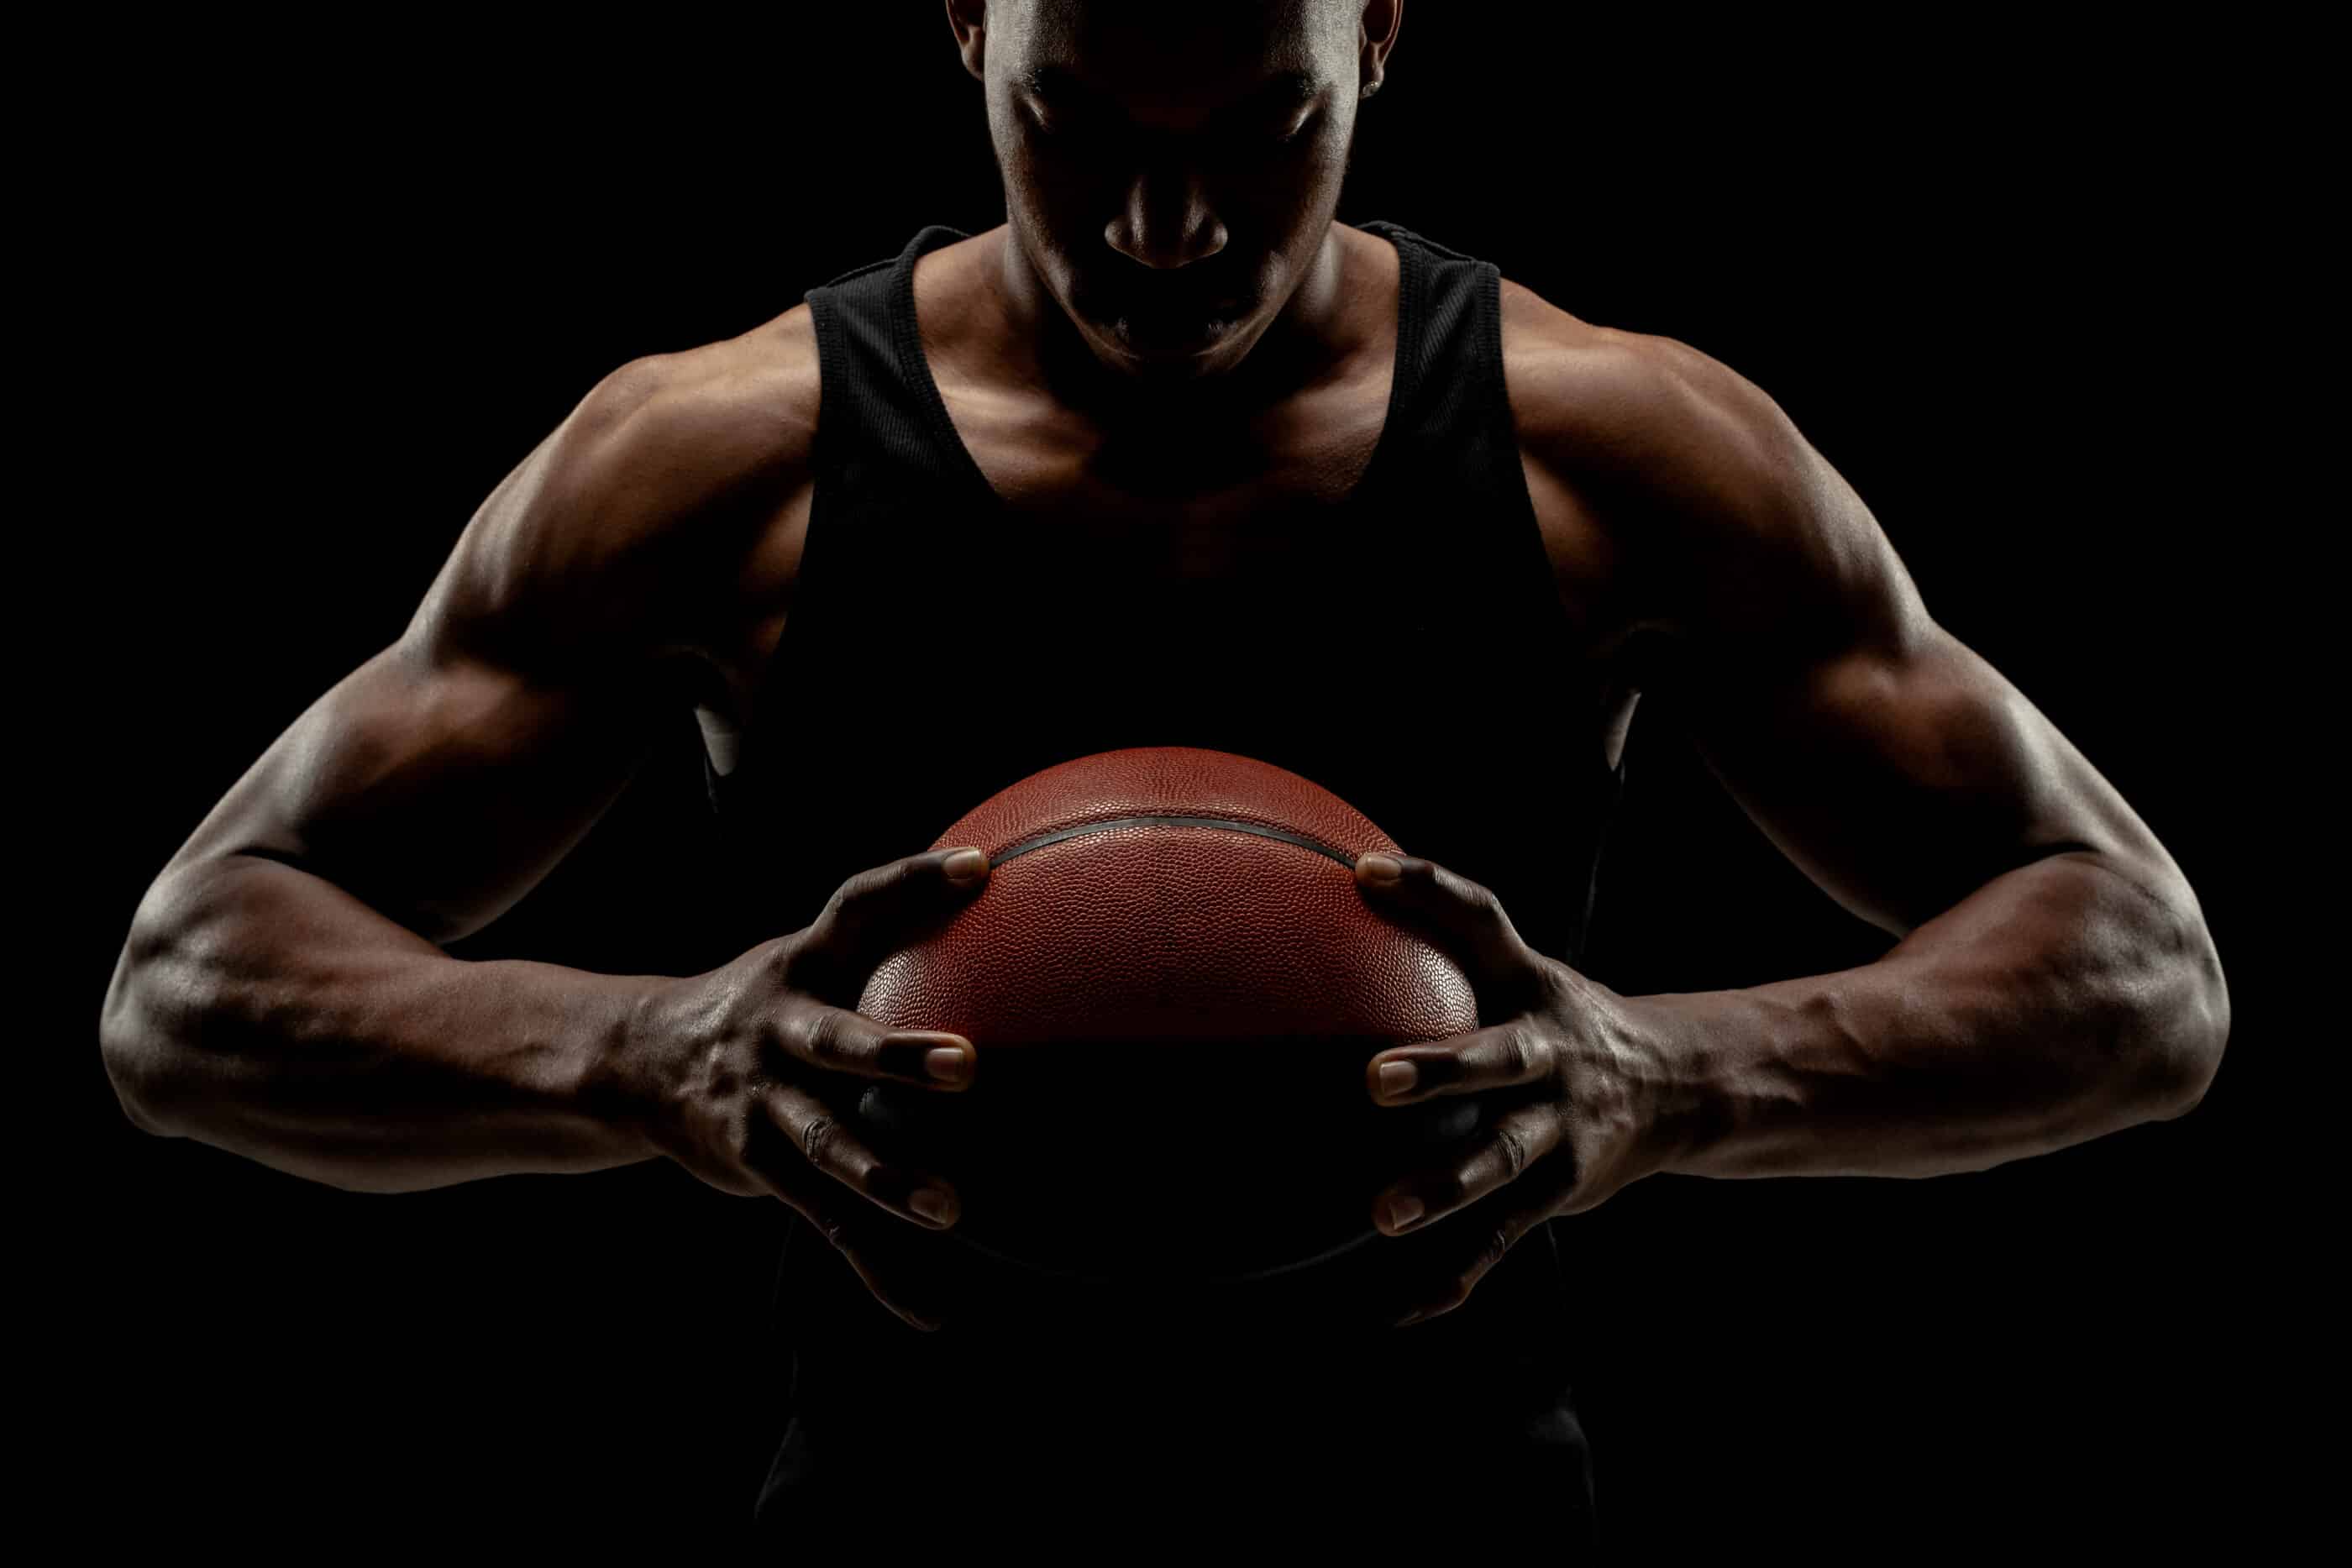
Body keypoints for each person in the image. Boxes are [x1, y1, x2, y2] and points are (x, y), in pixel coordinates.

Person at [96, 0, 2229, 1551]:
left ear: (1379, 36)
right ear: (961, 30)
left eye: (1262, 127)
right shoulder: (721, 463)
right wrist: (644, 1052)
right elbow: (189, 984)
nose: (1165, 221)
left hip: (1459, 1539)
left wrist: (1674, 1076)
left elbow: (2137, 968)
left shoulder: (1613, 453)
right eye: (1074, 122)